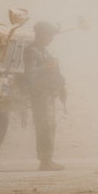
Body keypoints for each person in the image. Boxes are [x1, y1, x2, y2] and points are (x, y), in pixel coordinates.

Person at [23, 20, 66, 171]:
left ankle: (48, 158)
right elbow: (30, 74)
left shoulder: (44, 51)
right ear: (41, 34)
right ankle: (45, 160)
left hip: (48, 94)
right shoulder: (31, 51)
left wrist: (61, 86)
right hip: (39, 95)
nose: (51, 38)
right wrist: (47, 66)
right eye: (49, 35)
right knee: (44, 126)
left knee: (50, 126)